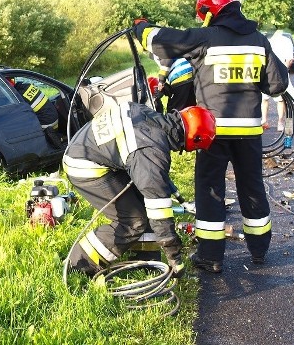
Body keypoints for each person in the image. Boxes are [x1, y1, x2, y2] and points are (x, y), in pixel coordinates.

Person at [133, 0, 289, 272]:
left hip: (213, 132)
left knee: (210, 189)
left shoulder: (205, 38)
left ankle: (211, 256)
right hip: (249, 133)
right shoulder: (258, 40)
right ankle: (258, 251)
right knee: (252, 187)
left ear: (208, 12)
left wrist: (141, 27)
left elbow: (161, 41)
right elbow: (278, 84)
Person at [62, 102, 216, 278]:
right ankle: (78, 266)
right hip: (84, 165)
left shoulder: (149, 116)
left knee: (142, 204)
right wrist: (173, 254)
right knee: (133, 221)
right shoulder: (151, 151)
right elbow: (159, 210)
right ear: (193, 140)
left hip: (85, 149)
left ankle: (145, 262)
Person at [8, 78, 64, 147]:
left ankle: (53, 138)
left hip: (47, 124)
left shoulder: (17, 96)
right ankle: (59, 136)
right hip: (54, 117)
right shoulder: (26, 86)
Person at [262, 30, 294, 131]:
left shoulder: (267, 40)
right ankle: (280, 122)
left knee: (264, 99)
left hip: (267, 73)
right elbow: (290, 59)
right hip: (280, 74)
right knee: (280, 99)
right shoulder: (287, 41)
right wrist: (284, 70)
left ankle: (264, 120)